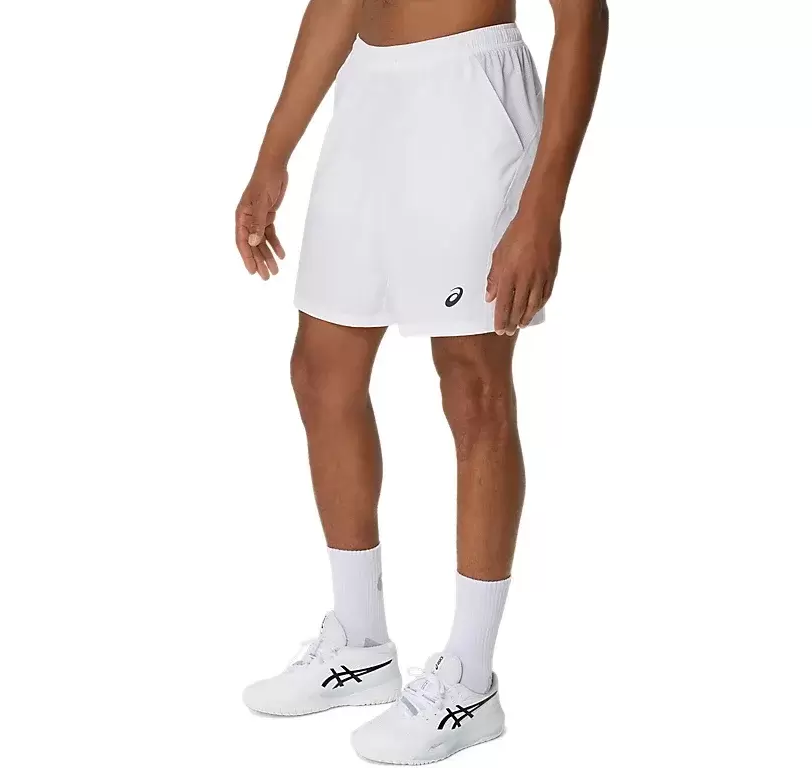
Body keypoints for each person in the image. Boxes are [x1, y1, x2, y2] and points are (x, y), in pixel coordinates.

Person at [236, 1, 608, 763]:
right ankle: (360, 644)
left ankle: (469, 681)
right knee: (320, 369)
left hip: (468, 95)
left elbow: (584, 17)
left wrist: (542, 207)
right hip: (369, 95)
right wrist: (274, 155)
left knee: (472, 385)